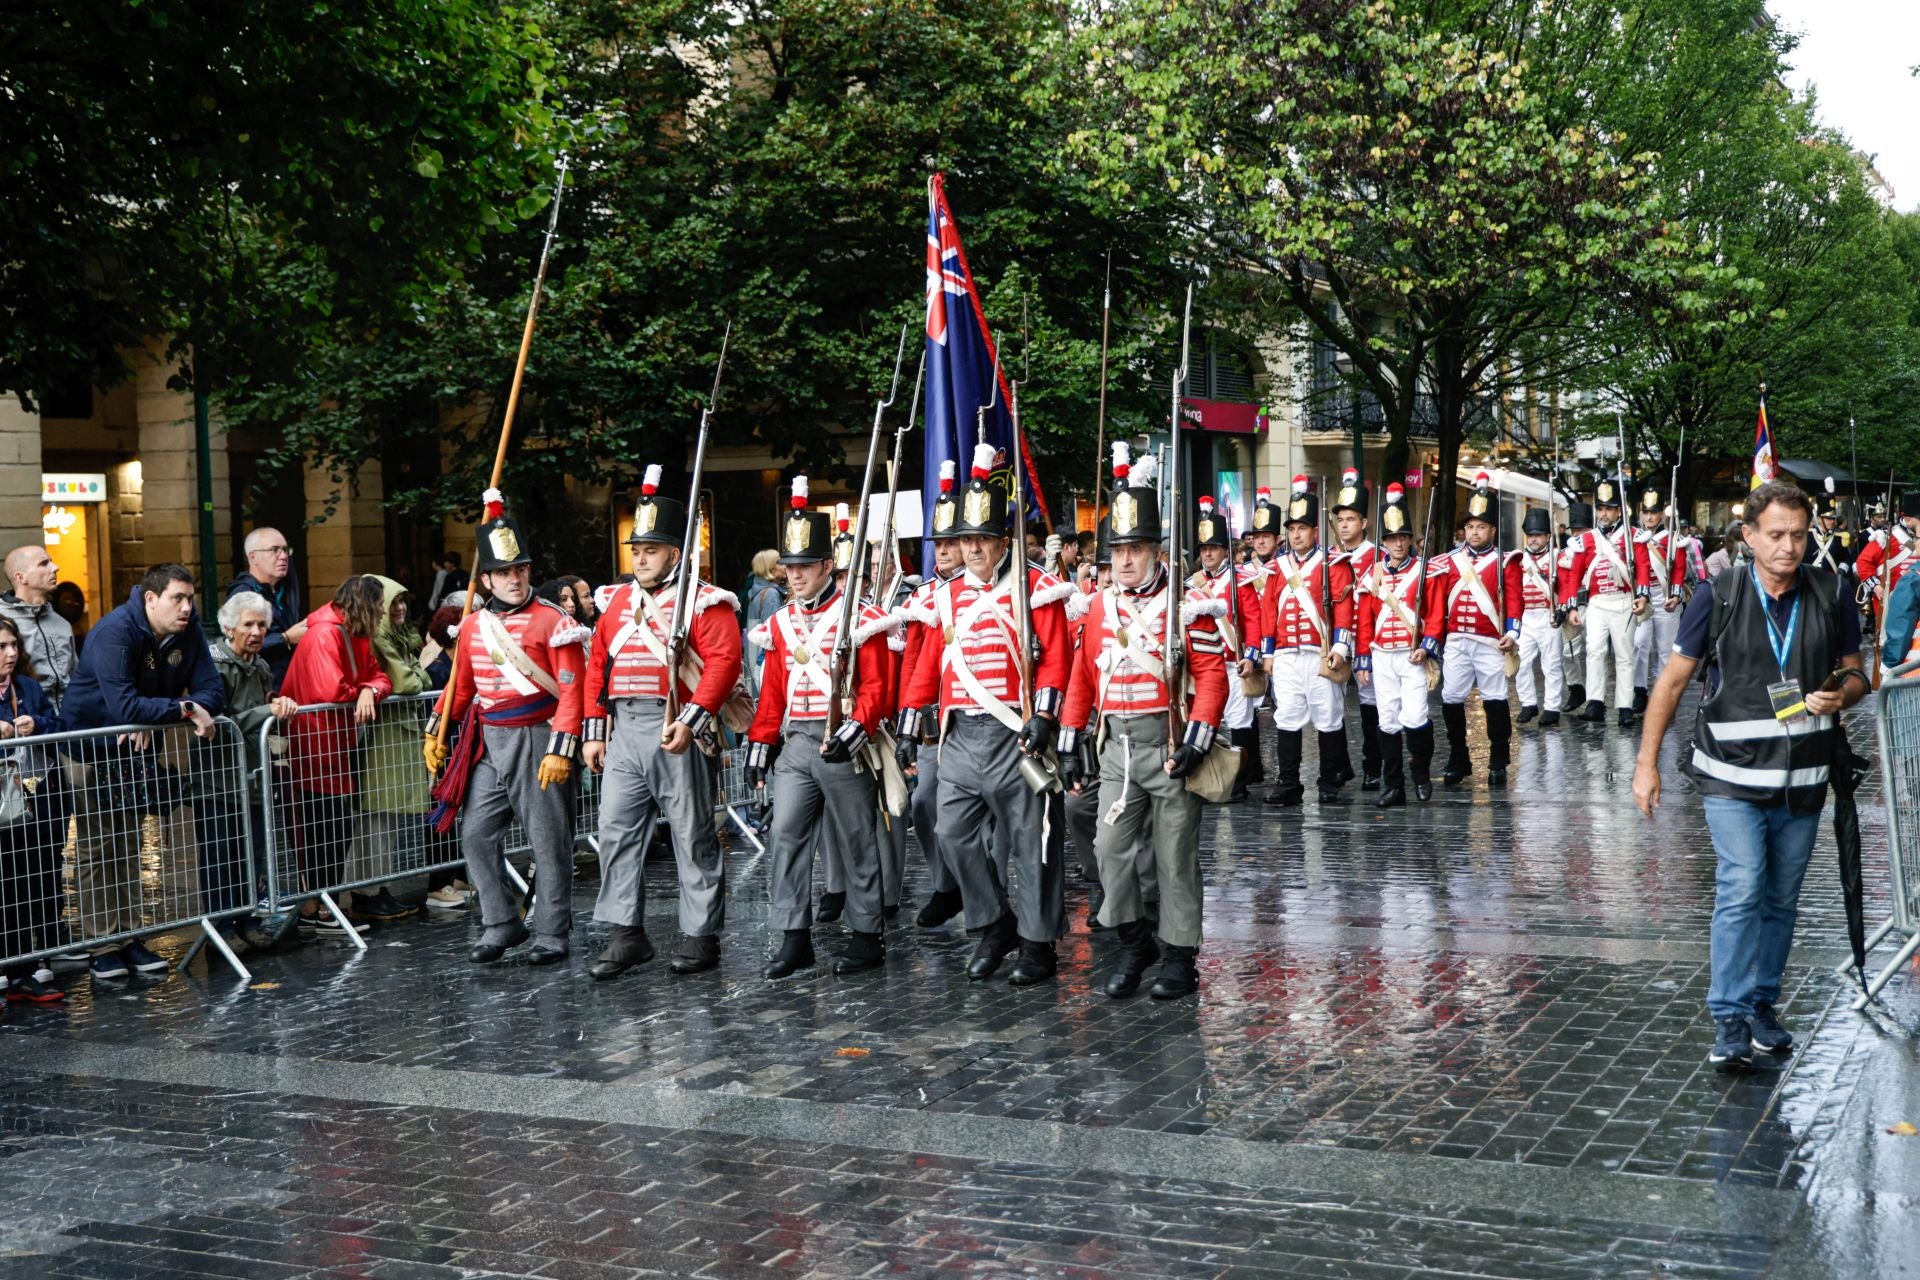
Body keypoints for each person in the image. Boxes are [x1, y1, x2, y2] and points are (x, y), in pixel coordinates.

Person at [1633, 481, 1867, 1068]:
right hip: (1731, 776)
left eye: (1798, 534)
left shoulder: (1832, 590)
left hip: (1804, 779)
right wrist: (1646, 764)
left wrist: (1845, 696)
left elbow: (1860, 674)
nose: (1788, 547)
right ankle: (1730, 1016)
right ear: (1749, 537)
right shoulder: (1720, 594)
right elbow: (1672, 682)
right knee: (1742, 888)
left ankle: (1763, 1004)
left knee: (1782, 898)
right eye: (1776, 535)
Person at [895, 442, 1074, 985]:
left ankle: (1039, 942)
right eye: (963, 539)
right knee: (951, 832)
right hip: (958, 735)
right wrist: (908, 723)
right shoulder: (943, 597)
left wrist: (1044, 716)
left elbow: (1057, 658)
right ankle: (994, 920)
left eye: (981, 539)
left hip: (1013, 732)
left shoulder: (1036, 588)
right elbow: (927, 666)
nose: (971, 549)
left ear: (1002, 541)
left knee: (1031, 840)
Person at [1058, 453, 1227, 999]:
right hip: (1117, 751)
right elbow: (1083, 679)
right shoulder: (1098, 608)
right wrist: (1070, 736)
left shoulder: (1187, 605)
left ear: (1155, 551)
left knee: (1176, 860)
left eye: (1134, 550)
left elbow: (1211, 675)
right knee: (1109, 851)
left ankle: (1180, 957)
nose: (1125, 561)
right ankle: (1134, 943)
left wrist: (1198, 739)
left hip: (1170, 743)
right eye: (1118, 551)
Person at [580, 467, 741, 980]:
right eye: (637, 549)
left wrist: (692, 721)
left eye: (651, 550)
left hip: (676, 727)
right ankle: (626, 933)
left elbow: (722, 662)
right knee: (616, 830)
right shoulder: (616, 602)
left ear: (674, 553)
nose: (641, 558)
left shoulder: (703, 600)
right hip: (624, 729)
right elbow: (598, 666)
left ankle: (700, 936)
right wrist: (594, 731)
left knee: (692, 835)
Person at [425, 494, 586, 966]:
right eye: (505, 573)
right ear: (489, 578)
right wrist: (436, 729)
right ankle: (502, 922)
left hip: (539, 738)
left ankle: (552, 930)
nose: (515, 580)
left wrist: (561, 747)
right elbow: (462, 687)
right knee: (475, 833)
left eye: (521, 570)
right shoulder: (473, 626)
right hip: (489, 742)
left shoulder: (556, 622)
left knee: (548, 839)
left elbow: (572, 691)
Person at [747, 478, 897, 978]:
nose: (794, 577)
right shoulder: (782, 622)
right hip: (796, 742)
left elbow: (877, 684)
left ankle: (866, 934)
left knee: (858, 839)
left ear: (827, 567)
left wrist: (857, 727)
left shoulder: (858, 616)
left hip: (842, 741)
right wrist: (761, 742)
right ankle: (794, 937)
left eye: (804, 567)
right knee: (786, 836)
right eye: (789, 569)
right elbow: (773, 693)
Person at [62, 564, 224, 980]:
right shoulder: (116, 629)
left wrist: (172, 713)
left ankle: (132, 937)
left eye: (190, 598)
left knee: (130, 842)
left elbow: (213, 690)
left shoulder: (188, 632)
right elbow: (125, 707)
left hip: (136, 751)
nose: (187, 608)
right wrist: (184, 709)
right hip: (88, 746)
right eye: (178, 599)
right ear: (151, 599)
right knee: (97, 846)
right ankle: (102, 944)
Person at [278, 576, 393, 933]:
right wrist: (366, 690)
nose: (383, 611)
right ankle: (320, 907)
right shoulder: (327, 634)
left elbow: (379, 676)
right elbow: (332, 688)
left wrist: (369, 691)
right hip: (314, 746)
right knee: (325, 828)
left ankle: (320, 906)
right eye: (379, 605)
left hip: (331, 744)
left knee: (332, 828)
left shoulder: (349, 632)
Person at [205, 591, 298, 954]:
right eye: (248, 624)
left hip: (253, 775)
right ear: (229, 627)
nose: (257, 631)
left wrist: (276, 708)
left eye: (262, 625)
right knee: (221, 854)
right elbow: (223, 721)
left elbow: (263, 708)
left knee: (254, 851)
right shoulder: (215, 665)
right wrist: (269, 713)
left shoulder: (259, 666)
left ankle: (248, 919)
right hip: (218, 778)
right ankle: (222, 925)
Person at [1259, 476, 1355, 805]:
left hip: (1319, 653)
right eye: (1292, 528)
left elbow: (1344, 607)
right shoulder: (1277, 568)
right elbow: (1268, 612)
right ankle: (1288, 783)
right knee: (1287, 716)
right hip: (1286, 654)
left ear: (1315, 530)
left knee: (1327, 716)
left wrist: (1341, 647)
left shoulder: (1333, 564)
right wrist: (1267, 653)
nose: (1295, 534)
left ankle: (1329, 780)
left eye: (1302, 528)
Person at [898, 462, 965, 929]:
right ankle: (946, 884)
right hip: (933, 720)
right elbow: (913, 663)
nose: (941, 552)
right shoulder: (922, 596)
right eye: (937, 545)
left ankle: (986, 890)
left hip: (981, 712)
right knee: (924, 804)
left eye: (949, 543)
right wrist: (906, 717)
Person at [1426, 472, 1517, 787]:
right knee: (1451, 697)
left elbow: (1514, 601)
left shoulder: (1505, 561)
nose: (1474, 532)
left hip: (1490, 641)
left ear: (1492, 529)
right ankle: (1458, 757)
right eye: (1469, 526)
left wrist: (1512, 632)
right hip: (1456, 641)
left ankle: (1498, 760)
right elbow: (1436, 601)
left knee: (1495, 698)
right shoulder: (1449, 561)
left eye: (1480, 526)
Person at [349, 576, 432, 922]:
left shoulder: (398, 635)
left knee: (387, 816)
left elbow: (420, 680)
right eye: (391, 602)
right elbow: (409, 681)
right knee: (377, 816)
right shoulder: (382, 636)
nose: (397, 608)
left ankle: (377, 888)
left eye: (401, 601)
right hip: (385, 737)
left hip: (398, 735)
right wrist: (414, 673)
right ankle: (367, 891)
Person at [0, 616, 71, 1002]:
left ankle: (36, 961)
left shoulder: (27, 686)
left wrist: (36, 724)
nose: (11, 653)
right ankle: (10, 965)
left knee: (40, 874)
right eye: (1, 647)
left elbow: (59, 723)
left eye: (13, 645)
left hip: (38, 792)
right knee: (7, 881)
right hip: (3, 803)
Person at [1355, 484, 1435, 806]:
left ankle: (1421, 776)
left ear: (1411, 539)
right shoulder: (1372, 574)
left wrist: (1427, 645)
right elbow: (1364, 620)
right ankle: (1394, 785)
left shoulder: (1423, 570)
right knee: (1386, 720)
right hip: (1382, 656)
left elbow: (1435, 612)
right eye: (1392, 538)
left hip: (1411, 655)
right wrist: (1362, 658)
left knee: (1415, 717)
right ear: (1384, 542)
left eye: (1403, 537)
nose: (1398, 543)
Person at [1186, 495, 1266, 801]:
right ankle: (1207, 778)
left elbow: (1253, 620)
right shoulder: (1192, 584)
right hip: (1204, 665)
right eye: (1204, 548)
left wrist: (1251, 654)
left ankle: (1239, 782)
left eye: (1213, 548)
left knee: (1240, 722)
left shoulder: (1240, 580)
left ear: (1224, 551)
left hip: (1233, 663)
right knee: (1206, 720)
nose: (1207, 553)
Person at [1567, 474, 1649, 726]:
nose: (1604, 513)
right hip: (1597, 603)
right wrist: (1571, 605)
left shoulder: (1633, 535)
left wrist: (1643, 595)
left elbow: (1644, 566)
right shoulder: (1586, 539)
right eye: (1600, 508)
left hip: (1624, 600)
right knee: (1594, 651)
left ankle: (1624, 705)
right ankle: (1595, 702)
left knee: (1624, 655)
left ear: (1618, 511)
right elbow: (1574, 573)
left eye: (1609, 509)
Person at [1328, 469, 1382, 788]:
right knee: (1331, 706)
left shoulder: (1378, 556)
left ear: (1363, 523)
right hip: (1335, 641)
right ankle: (1339, 767)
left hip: (1367, 640)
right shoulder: (1328, 558)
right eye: (1341, 519)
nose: (1345, 524)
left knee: (1370, 705)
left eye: (1351, 518)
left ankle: (1373, 766)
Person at [1632, 484, 1694, 712]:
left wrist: (1677, 595)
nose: (1649, 517)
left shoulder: (1672, 538)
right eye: (1646, 512)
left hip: (1666, 595)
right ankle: (1639, 690)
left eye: (1653, 512)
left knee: (1666, 649)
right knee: (1639, 643)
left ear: (1661, 514)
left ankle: (1662, 694)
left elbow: (1678, 570)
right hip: (1642, 598)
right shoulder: (1633, 537)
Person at [1507, 508, 1566, 727]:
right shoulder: (1518, 559)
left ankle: (1552, 707)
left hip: (1548, 615)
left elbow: (1567, 585)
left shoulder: (1558, 557)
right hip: (1525, 618)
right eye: (1530, 535)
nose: (1533, 539)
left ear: (1548, 537)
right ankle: (1528, 703)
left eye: (1538, 535)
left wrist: (1564, 608)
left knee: (1551, 664)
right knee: (1521, 662)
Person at [227, 527, 306, 687]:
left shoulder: (283, 590)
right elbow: (237, 644)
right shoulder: (243, 594)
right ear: (253, 557)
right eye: (274, 550)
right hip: (259, 690)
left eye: (285, 550)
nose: (283, 556)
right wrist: (285, 638)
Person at [1, 546, 76, 710]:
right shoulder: (3, 621)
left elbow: (76, 676)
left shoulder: (62, 623)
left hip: (69, 724)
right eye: (43, 563)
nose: (55, 567)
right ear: (21, 577)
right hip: (25, 724)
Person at [743, 548, 786, 696]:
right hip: (765, 664)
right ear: (771, 568)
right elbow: (775, 636)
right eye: (780, 562)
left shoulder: (756, 592)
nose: (786, 565)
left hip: (754, 658)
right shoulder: (771, 595)